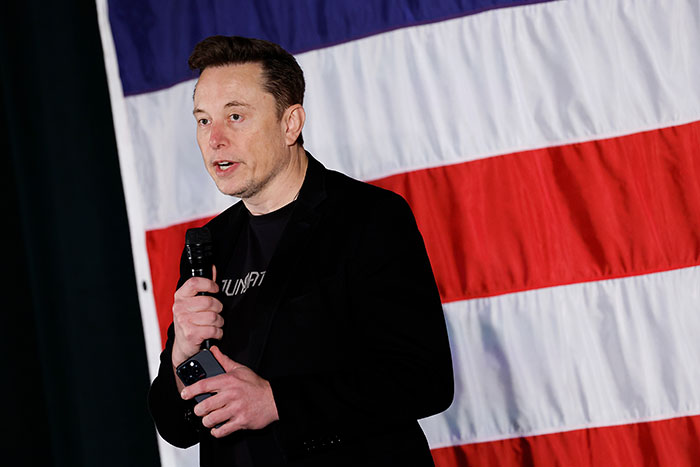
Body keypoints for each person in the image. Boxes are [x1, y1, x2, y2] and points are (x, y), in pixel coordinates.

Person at [148, 35, 454, 467]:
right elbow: (175, 427)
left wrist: (277, 402)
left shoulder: (368, 218)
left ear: (290, 124)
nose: (214, 138)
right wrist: (182, 351)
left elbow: (424, 381)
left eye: (235, 116)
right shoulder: (211, 243)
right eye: (202, 120)